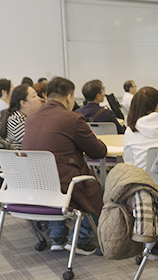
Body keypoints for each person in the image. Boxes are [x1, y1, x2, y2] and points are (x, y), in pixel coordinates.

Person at [22, 77, 106, 254]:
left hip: (32, 182)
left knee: (53, 178)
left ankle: (57, 237)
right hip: (64, 183)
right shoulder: (72, 118)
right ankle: (81, 239)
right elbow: (98, 152)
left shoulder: (30, 118)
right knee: (91, 186)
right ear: (69, 97)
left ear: (46, 95)